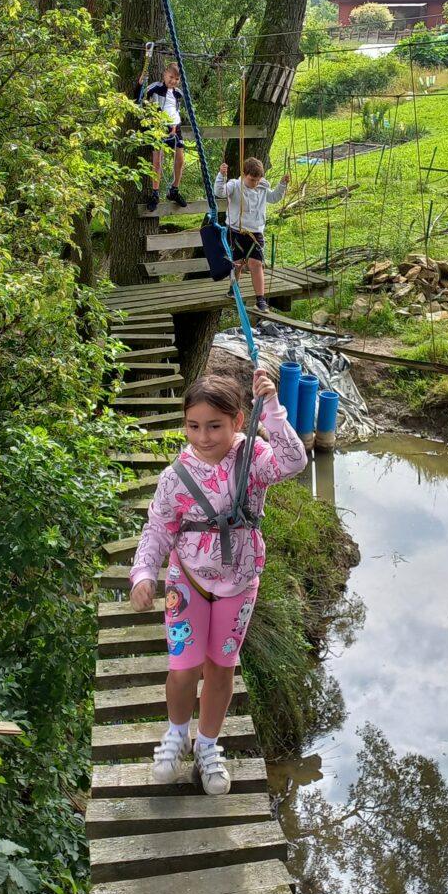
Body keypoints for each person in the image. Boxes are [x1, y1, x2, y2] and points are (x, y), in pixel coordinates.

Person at [129, 370, 307, 795]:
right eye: (193, 425)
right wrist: (142, 573)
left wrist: (274, 411)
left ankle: (207, 745)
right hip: (187, 581)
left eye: (215, 426)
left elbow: (294, 462)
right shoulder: (175, 476)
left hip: (240, 583)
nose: (203, 436)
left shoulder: (254, 459)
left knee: (221, 668)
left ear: (238, 421)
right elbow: (158, 527)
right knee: (183, 666)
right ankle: (176, 735)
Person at [213, 156, 290, 312]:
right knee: (238, 263)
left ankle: (260, 300)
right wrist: (221, 175)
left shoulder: (262, 187)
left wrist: (282, 184)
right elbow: (219, 192)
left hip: (256, 233)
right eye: (251, 179)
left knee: (257, 264)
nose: (254, 183)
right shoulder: (234, 185)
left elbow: (274, 198)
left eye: (257, 180)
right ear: (244, 174)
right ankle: (233, 289)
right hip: (236, 231)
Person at [142, 63, 188, 211]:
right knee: (157, 160)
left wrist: (174, 127)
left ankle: (174, 190)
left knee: (180, 160)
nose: (173, 81)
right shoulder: (155, 88)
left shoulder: (178, 93)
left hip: (175, 127)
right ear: (164, 75)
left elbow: (175, 110)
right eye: (171, 77)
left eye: (176, 78)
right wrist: (141, 82)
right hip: (159, 127)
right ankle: (155, 193)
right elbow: (140, 97)